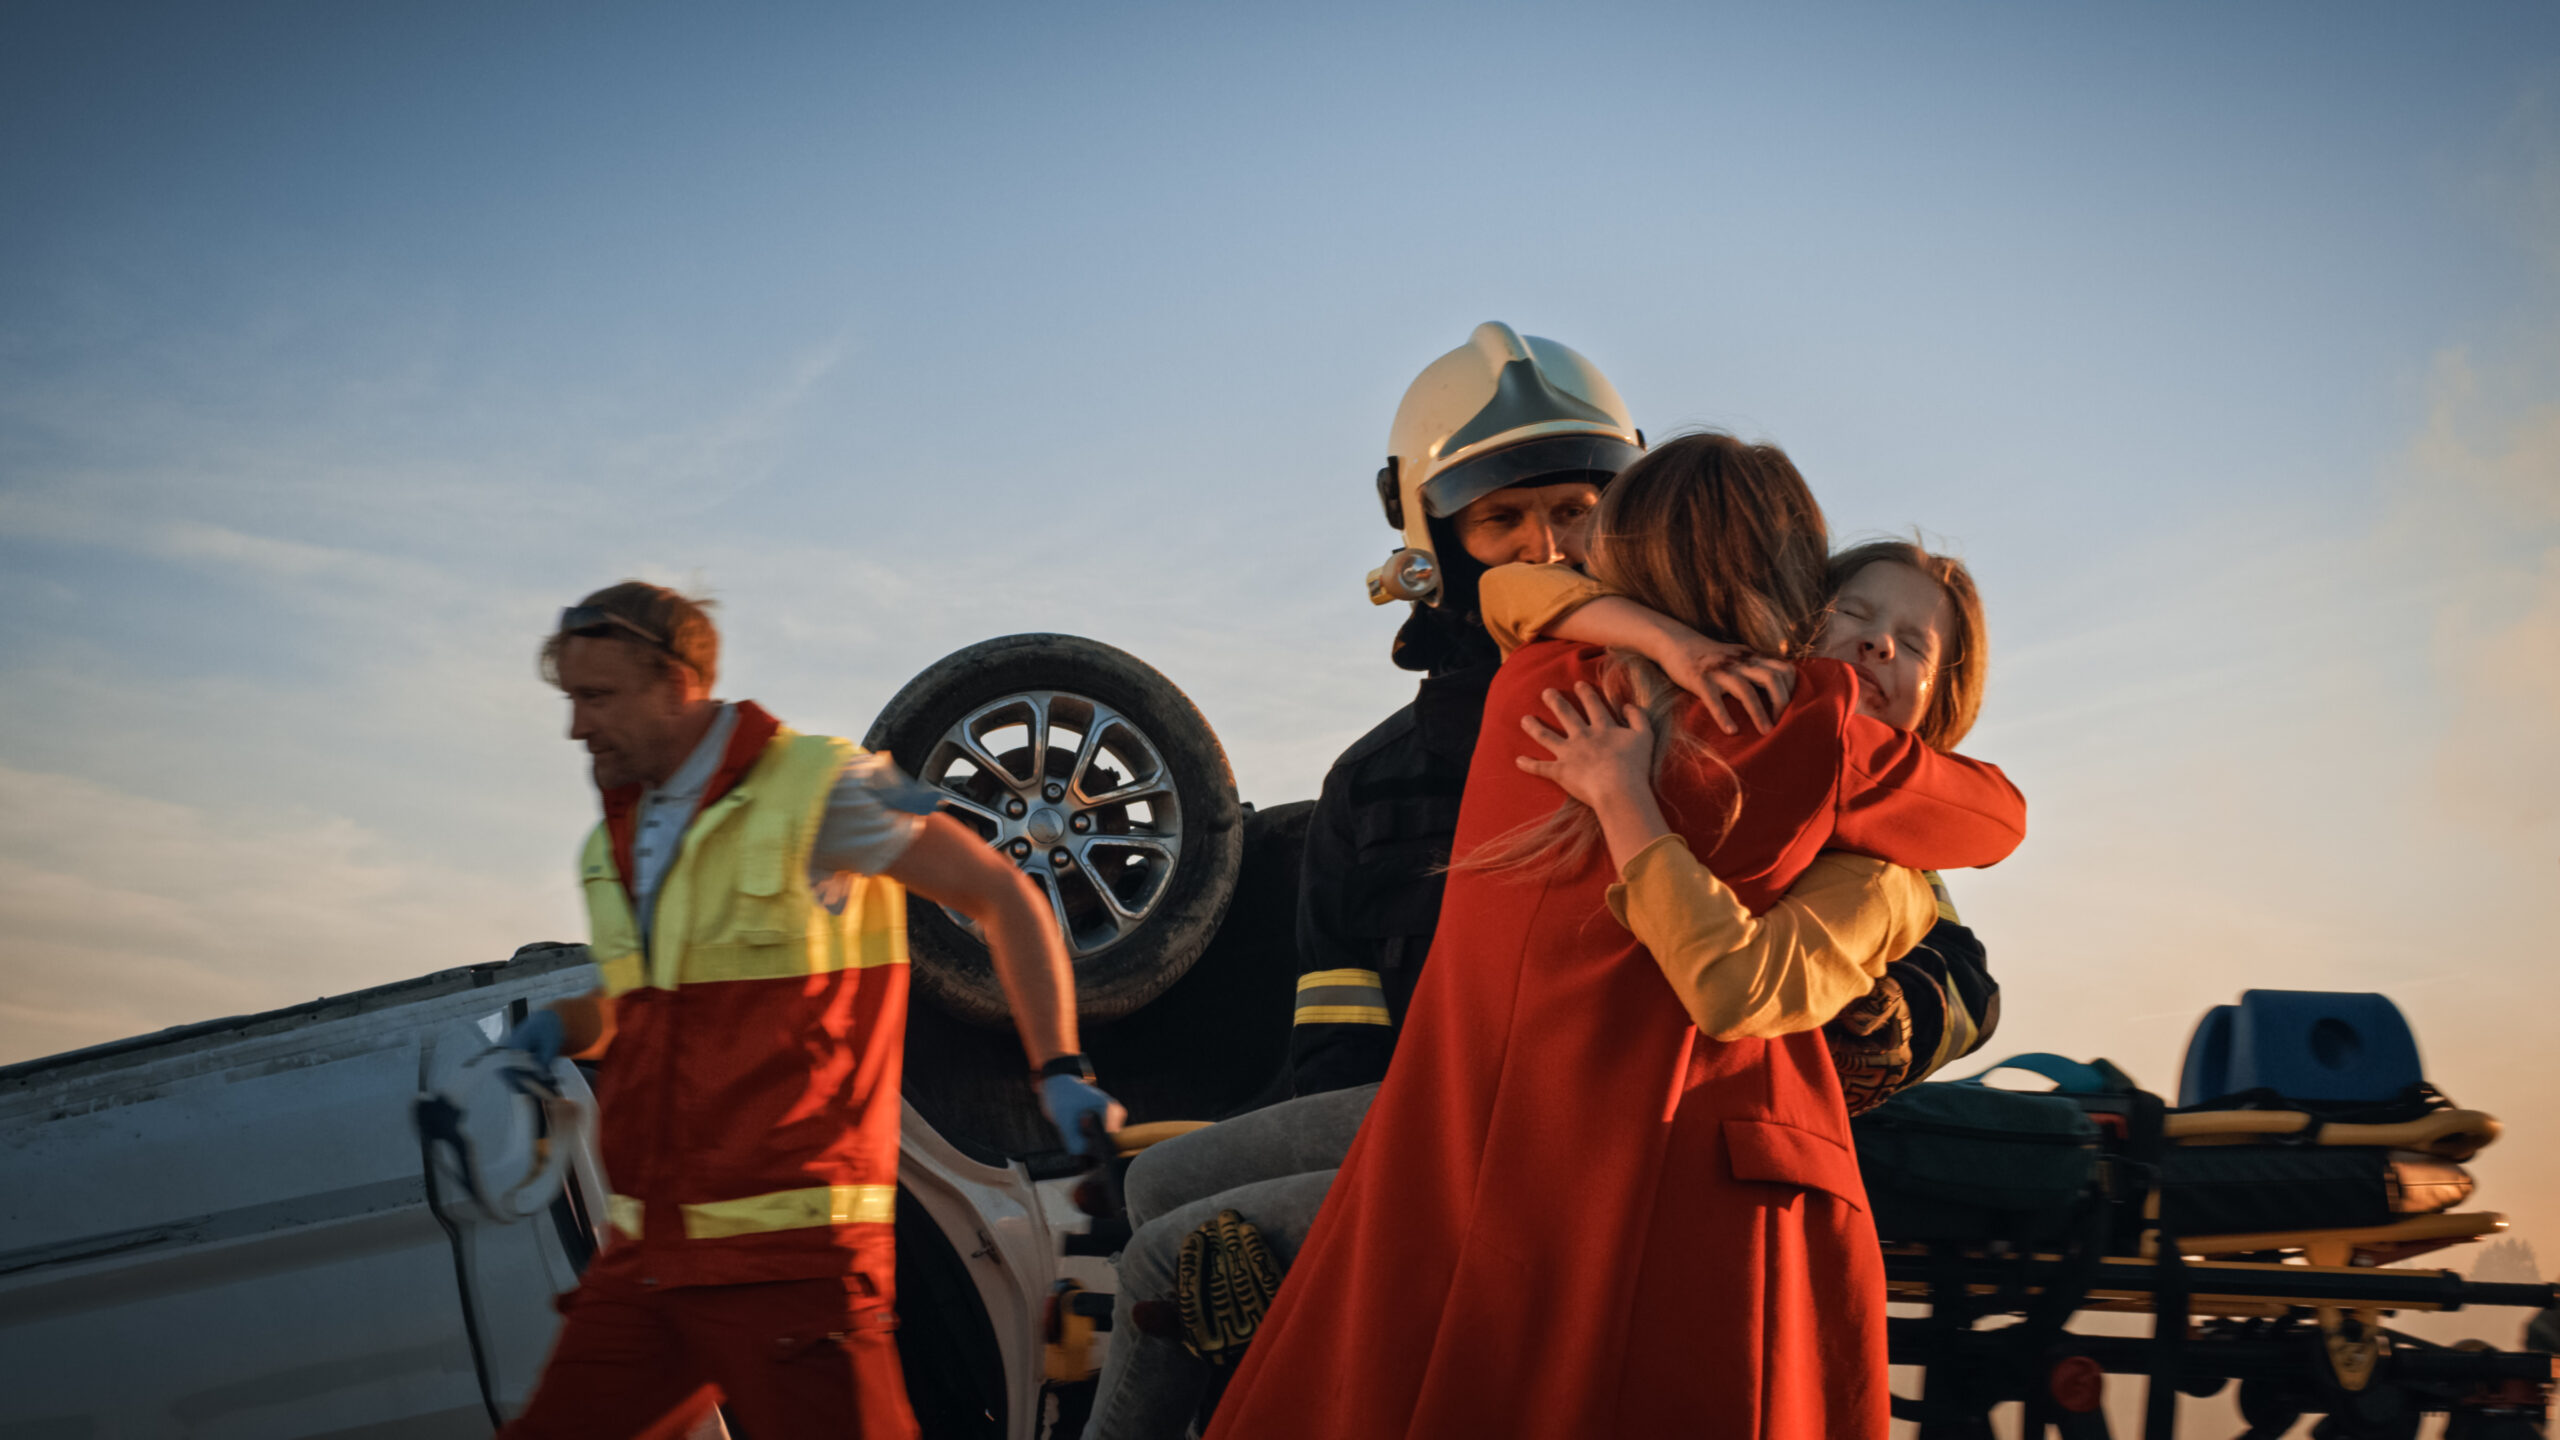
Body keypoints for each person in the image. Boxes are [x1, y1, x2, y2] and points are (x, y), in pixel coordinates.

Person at [1205, 434, 2027, 1440]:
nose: (1874, 647)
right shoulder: (1812, 728)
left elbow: (1510, 596)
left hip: (1452, 1153)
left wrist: (1659, 662)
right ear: (1799, 595)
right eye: (1852, 613)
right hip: (1655, 1185)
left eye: (1573, 518)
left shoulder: (1531, 679)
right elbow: (2000, 818)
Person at [492, 582, 1121, 1440]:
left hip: (792, 1262)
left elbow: (999, 894)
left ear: (676, 683)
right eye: (571, 698)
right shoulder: (613, 842)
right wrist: (558, 1029)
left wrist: (1059, 1067)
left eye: (597, 697)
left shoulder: (826, 786)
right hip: (650, 1260)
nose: (576, 727)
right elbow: (644, 1003)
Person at [1483, 535, 2003, 1109]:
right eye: (1853, 613)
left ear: (1941, 702)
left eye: (1914, 646)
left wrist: (1620, 796)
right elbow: (1507, 588)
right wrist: (1676, 644)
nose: (1879, 642)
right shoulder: (1691, 690)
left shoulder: (1880, 876)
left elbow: (1736, 991)